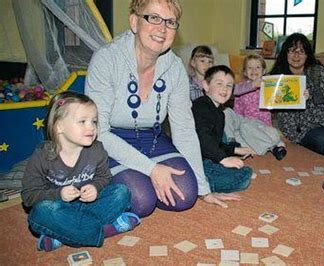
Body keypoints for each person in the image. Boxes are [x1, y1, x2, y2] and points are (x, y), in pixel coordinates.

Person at [85, 0, 239, 215]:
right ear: (134, 21)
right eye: (153, 18)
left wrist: (204, 189)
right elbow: (97, 131)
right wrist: (152, 169)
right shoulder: (106, 59)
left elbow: (184, 129)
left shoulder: (174, 67)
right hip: (108, 140)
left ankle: (137, 178)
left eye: (170, 22)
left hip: (152, 138)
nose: (162, 28)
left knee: (185, 195)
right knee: (141, 200)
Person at [21, 91, 140, 252]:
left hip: (91, 206)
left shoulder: (97, 149)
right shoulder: (42, 156)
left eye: (94, 121)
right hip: (60, 208)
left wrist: (95, 188)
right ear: (59, 126)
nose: (91, 127)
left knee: (121, 192)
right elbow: (29, 196)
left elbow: (104, 177)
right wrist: (59, 194)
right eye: (82, 121)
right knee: (40, 213)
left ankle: (63, 233)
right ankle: (104, 230)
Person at [269, 33, 324, 157]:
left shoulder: (317, 72)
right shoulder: (277, 79)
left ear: (307, 55)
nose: (296, 55)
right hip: (304, 128)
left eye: (301, 51)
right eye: (292, 51)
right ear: (285, 53)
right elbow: (272, 110)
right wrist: (297, 102)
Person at [192, 65, 256, 192]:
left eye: (229, 85)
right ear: (205, 85)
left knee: (238, 168)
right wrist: (223, 159)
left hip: (207, 157)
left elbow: (216, 143)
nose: (224, 89)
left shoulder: (220, 112)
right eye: (219, 84)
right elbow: (202, 138)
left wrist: (236, 150)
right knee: (242, 178)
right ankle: (197, 182)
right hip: (195, 160)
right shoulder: (201, 106)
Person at [233, 54, 272, 126]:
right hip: (247, 122)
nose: (254, 70)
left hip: (265, 123)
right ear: (245, 72)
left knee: (273, 135)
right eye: (250, 67)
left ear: (263, 71)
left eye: (258, 67)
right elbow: (237, 107)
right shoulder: (241, 87)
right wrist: (237, 122)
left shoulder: (267, 85)